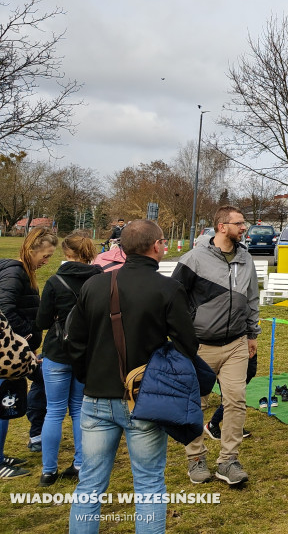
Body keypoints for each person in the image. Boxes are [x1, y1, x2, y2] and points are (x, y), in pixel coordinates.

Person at [65, 219, 198, 534]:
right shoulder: (168, 288)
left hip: (96, 397)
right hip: (143, 399)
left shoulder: (94, 284)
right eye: (164, 241)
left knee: (90, 483)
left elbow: (75, 343)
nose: (164, 245)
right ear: (156, 246)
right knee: (149, 482)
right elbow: (187, 346)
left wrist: (90, 379)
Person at [172, 205, 258, 486]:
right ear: (222, 226)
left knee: (236, 400)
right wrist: (183, 338)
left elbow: (252, 298)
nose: (243, 228)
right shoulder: (194, 258)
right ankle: (195, 458)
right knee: (194, 404)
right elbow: (173, 299)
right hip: (200, 346)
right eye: (239, 223)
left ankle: (228, 461)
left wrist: (251, 334)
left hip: (235, 343)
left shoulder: (246, 259)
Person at [35, 230, 101, 486]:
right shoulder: (100, 280)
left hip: (57, 352)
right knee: (79, 410)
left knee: (53, 411)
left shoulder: (54, 282)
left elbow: (41, 321)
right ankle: (81, 464)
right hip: (86, 353)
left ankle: (48, 471)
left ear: (67, 254)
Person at [0, 227, 58, 476]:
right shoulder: (15, 272)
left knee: (5, 403)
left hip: (13, 350)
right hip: (7, 353)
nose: (46, 262)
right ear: (32, 249)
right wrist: (24, 340)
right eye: (44, 256)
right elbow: (4, 308)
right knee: (2, 405)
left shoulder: (23, 272)